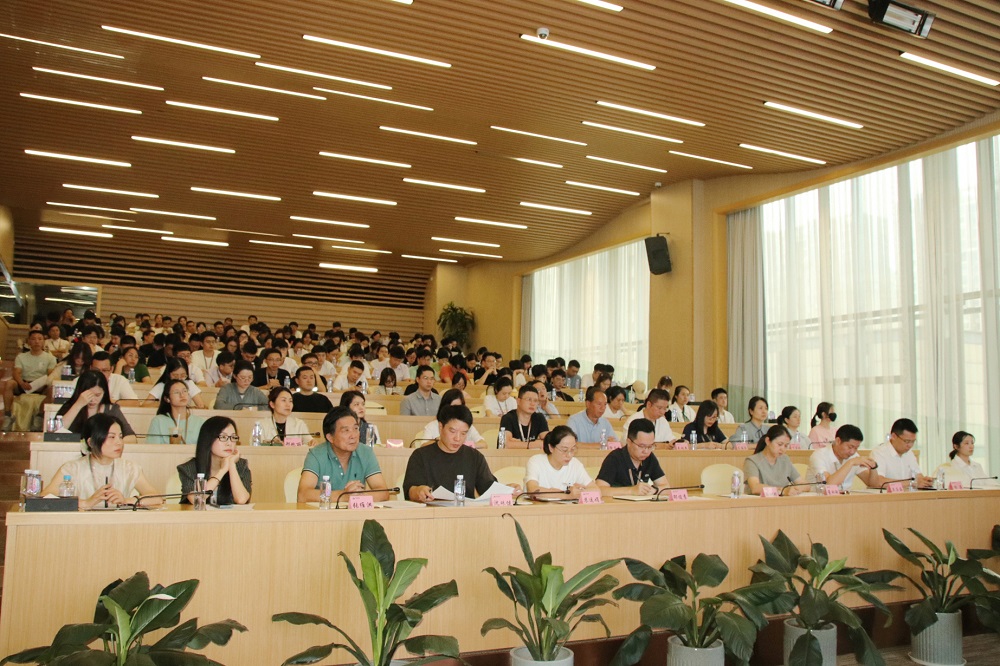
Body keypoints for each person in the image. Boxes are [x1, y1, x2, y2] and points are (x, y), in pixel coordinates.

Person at [42, 413, 157, 509]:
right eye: (111, 437)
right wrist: (85, 503)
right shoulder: (72, 468)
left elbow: (157, 498)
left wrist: (126, 500)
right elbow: (45, 497)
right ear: (91, 442)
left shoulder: (129, 468)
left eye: (120, 437)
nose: (119, 442)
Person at [404, 405, 504, 502]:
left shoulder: (475, 456)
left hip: (464, 511)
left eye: (463, 433)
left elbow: (489, 488)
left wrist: (507, 490)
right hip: (432, 511)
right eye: (452, 431)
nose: (457, 438)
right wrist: (419, 491)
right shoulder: (421, 455)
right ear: (440, 427)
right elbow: (410, 491)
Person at [298, 406, 390, 503]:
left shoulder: (366, 452)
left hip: (356, 512)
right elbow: (303, 495)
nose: (353, 435)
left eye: (355, 428)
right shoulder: (316, 454)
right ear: (330, 437)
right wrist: (343, 496)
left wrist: (357, 497)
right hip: (324, 511)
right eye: (346, 430)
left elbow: (383, 492)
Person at [177, 416, 251, 505]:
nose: (229, 443)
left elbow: (241, 500)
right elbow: (196, 499)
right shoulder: (189, 468)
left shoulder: (241, 465)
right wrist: (222, 471)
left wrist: (231, 465)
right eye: (223, 437)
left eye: (233, 437)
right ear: (208, 439)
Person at [595, 418, 670, 496]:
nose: (646, 451)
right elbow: (600, 490)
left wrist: (654, 490)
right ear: (629, 442)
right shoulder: (614, 458)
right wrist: (631, 491)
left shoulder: (650, 457)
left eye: (650, 446)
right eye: (641, 446)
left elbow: (666, 488)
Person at [55, 371, 135, 439]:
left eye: (97, 395)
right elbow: (56, 433)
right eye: (88, 395)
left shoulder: (111, 410)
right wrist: (78, 405)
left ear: (104, 392)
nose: (93, 400)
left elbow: (131, 437)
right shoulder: (70, 406)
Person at [524, 426, 598, 500]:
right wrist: (567, 495)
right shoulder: (536, 461)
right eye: (564, 450)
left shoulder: (575, 464)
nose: (569, 455)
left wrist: (579, 491)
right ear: (551, 448)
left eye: (572, 449)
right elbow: (533, 491)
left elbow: (596, 491)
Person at [806, 424, 881, 490]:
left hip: (846, 499)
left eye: (856, 448)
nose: (853, 452)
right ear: (838, 441)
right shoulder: (819, 456)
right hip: (819, 499)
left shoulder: (854, 456)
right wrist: (850, 463)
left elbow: (873, 484)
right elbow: (829, 484)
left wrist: (873, 468)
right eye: (850, 447)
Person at [4, 330, 56, 423]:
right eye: (33, 339)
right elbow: (16, 372)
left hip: (41, 385)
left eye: (40, 339)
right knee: (9, 383)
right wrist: (22, 383)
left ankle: (40, 416)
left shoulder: (50, 358)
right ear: (28, 342)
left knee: (53, 389)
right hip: (24, 383)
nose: (37, 341)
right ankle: (7, 414)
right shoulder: (21, 357)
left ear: (44, 341)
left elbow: (50, 374)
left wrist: (42, 384)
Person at [871, 418, 932, 488]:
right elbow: (879, 482)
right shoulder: (879, 453)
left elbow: (918, 476)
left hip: (907, 493)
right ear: (894, 436)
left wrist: (924, 481)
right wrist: (911, 483)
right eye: (907, 441)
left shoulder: (909, 453)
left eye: (913, 441)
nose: (910, 445)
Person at [744, 425, 803, 496]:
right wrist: (782, 490)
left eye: (786, 446)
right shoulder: (752, 461)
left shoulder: (785, 459)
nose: (783, 449)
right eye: (780, 444)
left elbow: (803, 483)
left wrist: (795, 489)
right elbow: (755, 487)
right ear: (768, 441)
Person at [147, 378, 207, 444]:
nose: (182, 395)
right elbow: (152, 447)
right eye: (176, 392)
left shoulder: (200, 422)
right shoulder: (158, 421)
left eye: (185, 391)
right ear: (167, 399)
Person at [417, 388, 485, 446]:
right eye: (452, 407)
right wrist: (440, 441)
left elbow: (483, 444)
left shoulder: (466, 426)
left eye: (459, 407)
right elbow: (423, 445)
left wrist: (462, 445)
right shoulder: (432, 426)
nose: (455, 411)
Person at [499, 385, 549, 449]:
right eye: (529, 399)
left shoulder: (539, 418)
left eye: (535, 400)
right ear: (518, 401)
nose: (532, 404)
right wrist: (532, 444)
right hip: (512, 455)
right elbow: (504, 444)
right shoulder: (507, 418)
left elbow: (548, 442)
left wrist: (517, 444)